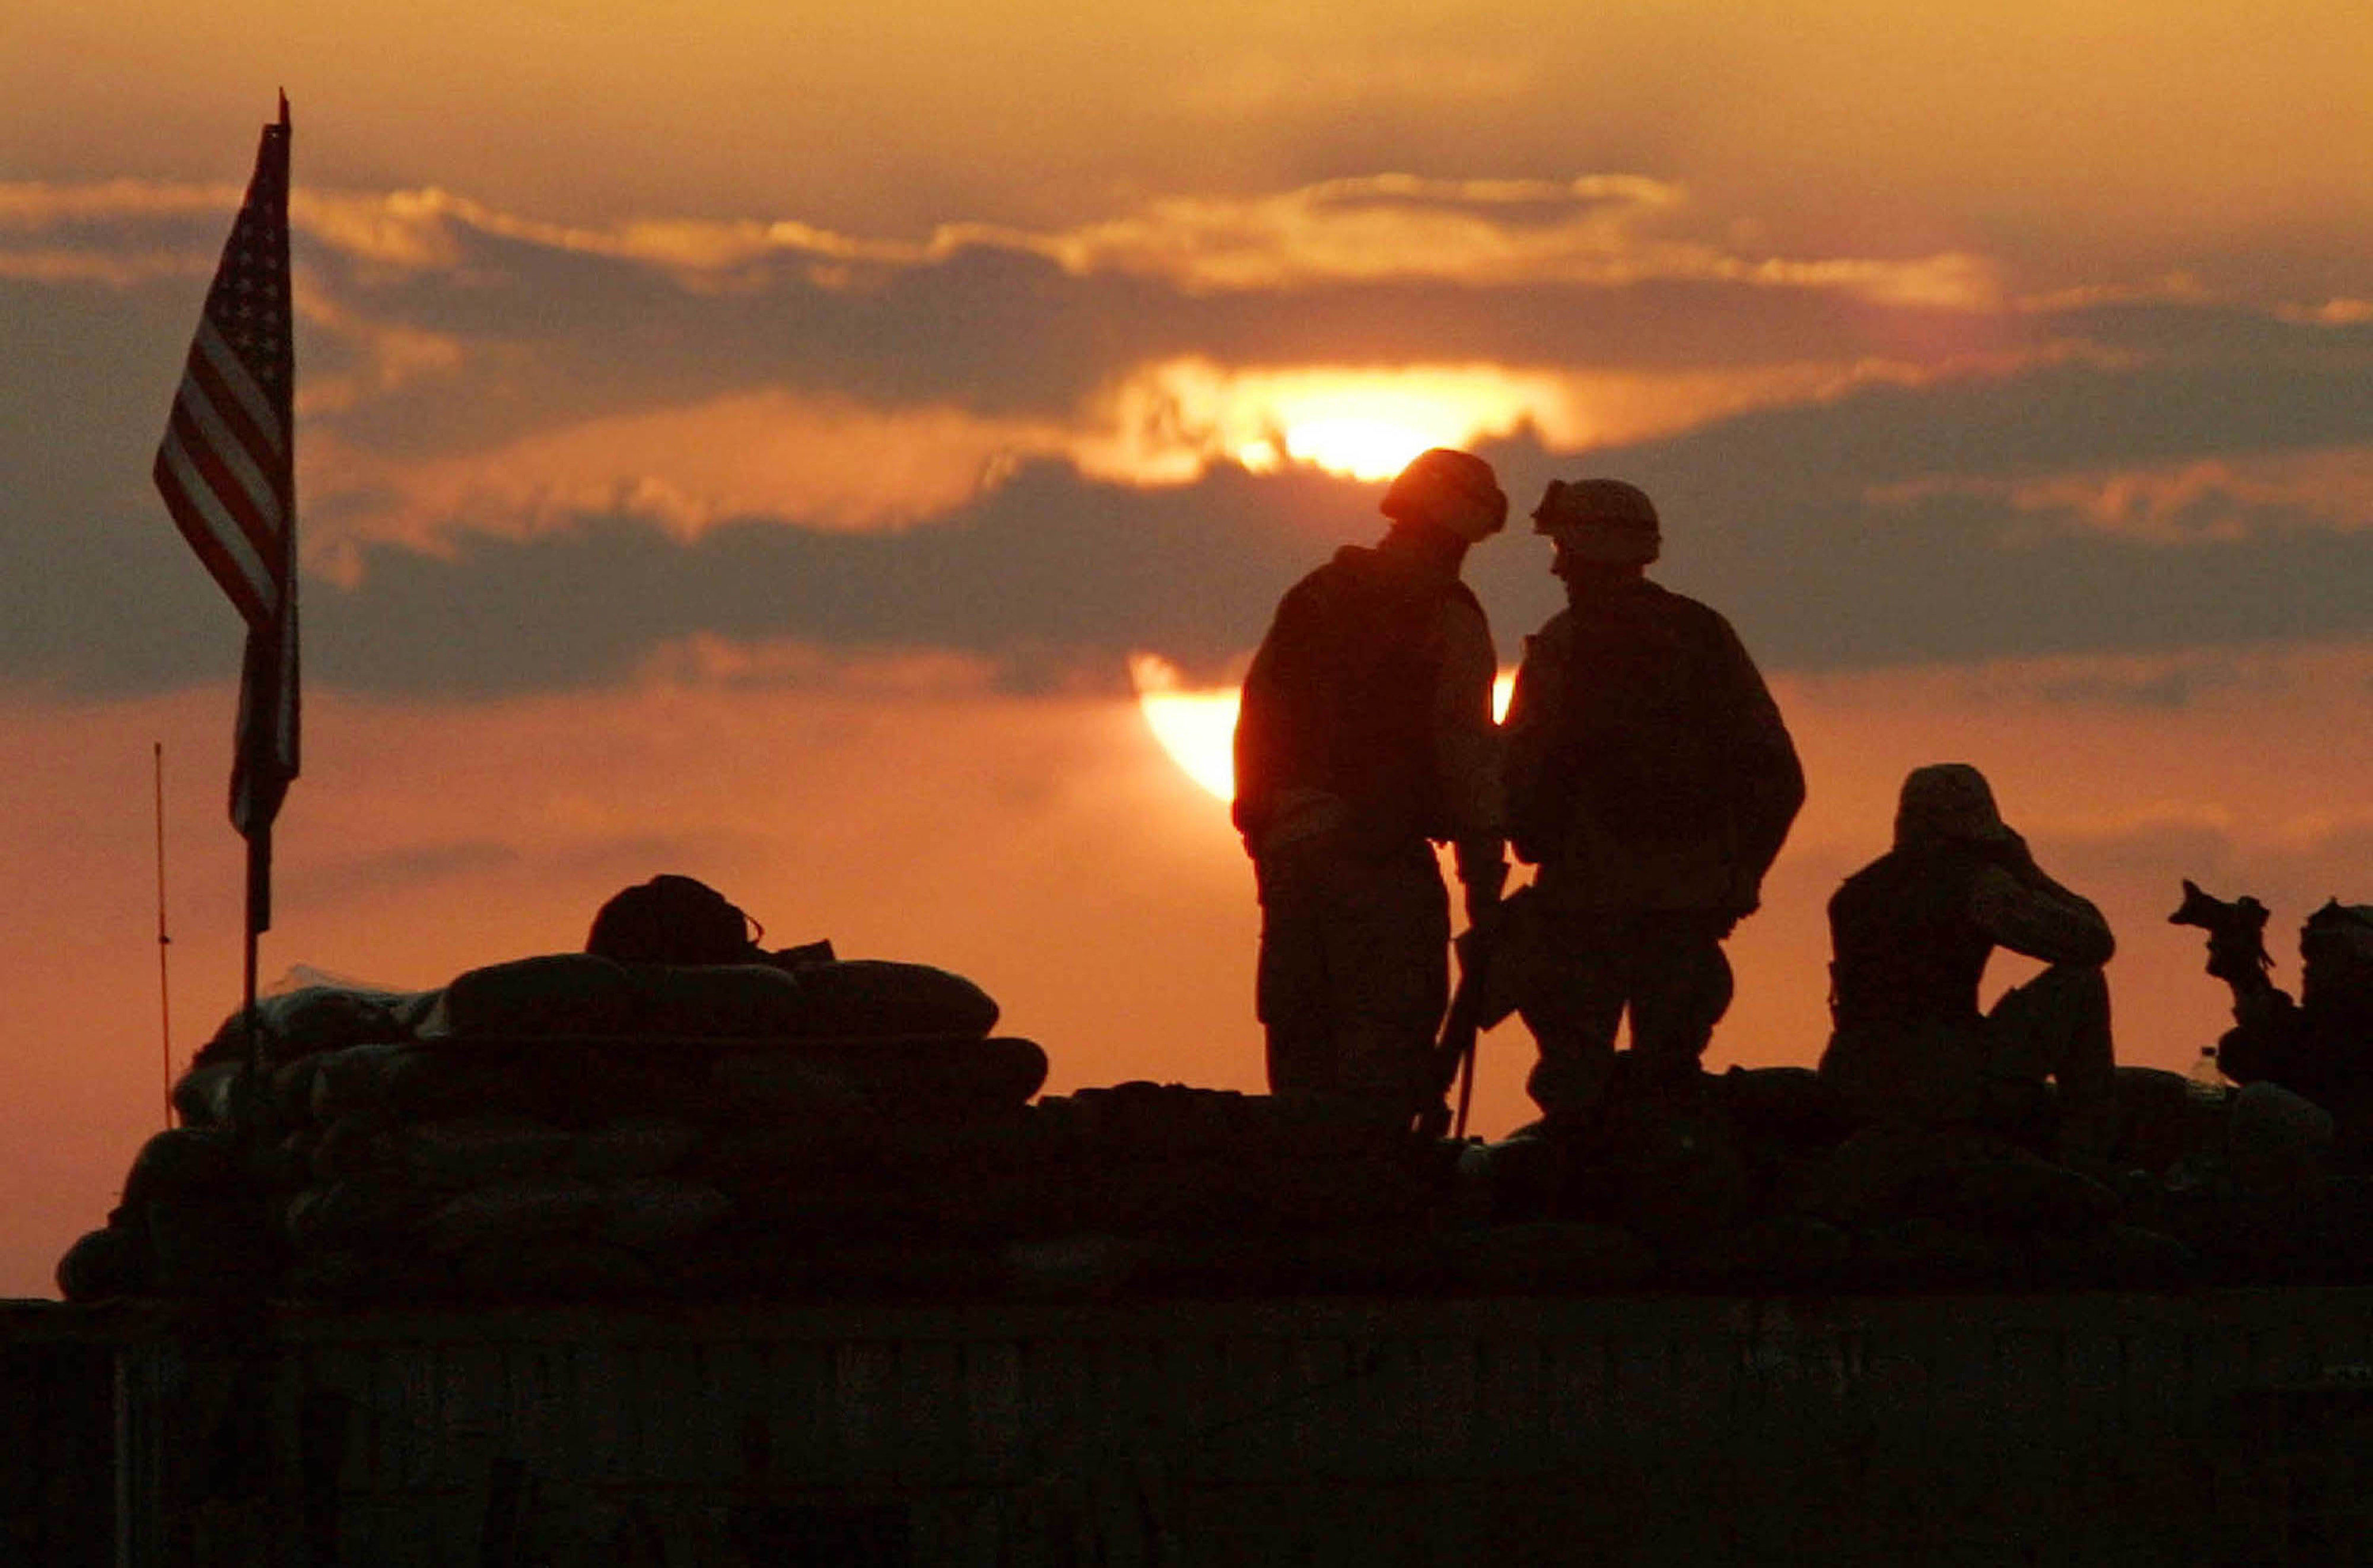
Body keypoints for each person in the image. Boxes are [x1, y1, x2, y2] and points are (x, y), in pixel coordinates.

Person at [1497, 478, 1803, 1121]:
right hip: (1687, 909)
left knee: (1573, 1094)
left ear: (1588, 549)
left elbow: (1520, 770)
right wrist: (1736, 878)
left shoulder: (1564, 644)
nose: (1556, 565)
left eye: (1563, 547)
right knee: (1671, 1091)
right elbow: (1778, 775)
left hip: (1583, 902)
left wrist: (1519, 840)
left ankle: (1571, 1204)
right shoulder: (1706, 636)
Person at [1232, 447, 1509, 1124]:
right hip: (1376, 857)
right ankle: (1372, 1199)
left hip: (1293, 850)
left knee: (1302, 1047)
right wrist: (1481, 864)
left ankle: (1305, 1197)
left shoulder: (1316, 593)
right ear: (1463, 529)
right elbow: (1462, 742)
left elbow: (1258, 713)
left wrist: (1265, 835)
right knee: (1386, 1047)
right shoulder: (1445, 612)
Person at [1818, 764, 2118, 1166]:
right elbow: (2094, 942)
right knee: (2082, 982)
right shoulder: (1975, 883)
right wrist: (2029, 872)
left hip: (1854, 1075)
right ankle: (2089, 1156)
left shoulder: (1853, 894)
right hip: (1943, 1083)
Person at [2213, 898, 2373, 1154]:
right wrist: (2244, 974)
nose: (2308, 970)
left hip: (2350, 1159)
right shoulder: (2320, 1023)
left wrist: (2246, 976)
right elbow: (2264, 1045)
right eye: (2311, 958)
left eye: (2326, 956)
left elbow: (2294, 1056)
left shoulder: (2358, 1026)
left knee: (2259, 1102)